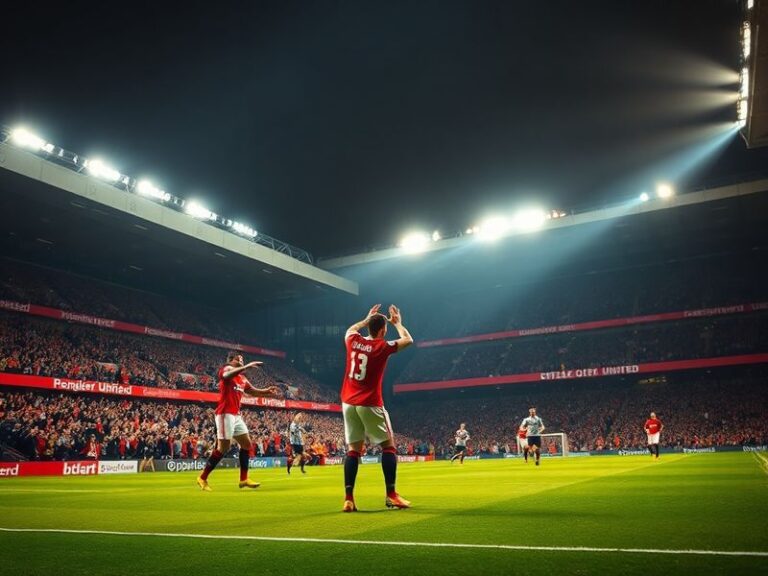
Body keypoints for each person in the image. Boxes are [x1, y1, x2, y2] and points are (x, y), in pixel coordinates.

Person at [340, 304, 413, 512]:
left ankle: (348, 499)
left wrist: (365, 320)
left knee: (353, 450)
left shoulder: (353, 340)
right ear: (383, 330)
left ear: (368, 328)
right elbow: (408, 340)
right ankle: (391, 495)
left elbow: (351, 329)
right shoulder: (381, 347)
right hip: (369, 402)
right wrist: (398, 323)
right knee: (388, 447)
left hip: (348, 403)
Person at [196, 352, 280, 491]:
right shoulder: (226, 370)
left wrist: (267, 391)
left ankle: (244, 479)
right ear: (230, 360)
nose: (241, 360)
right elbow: (225, 376)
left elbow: (253, 391)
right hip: (225, 414)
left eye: (243, 359)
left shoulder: (243, 379)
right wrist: (247, 365)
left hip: (236, 415)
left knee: (247, 445)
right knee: (223, 448)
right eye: (239, 359)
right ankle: (202, 477)